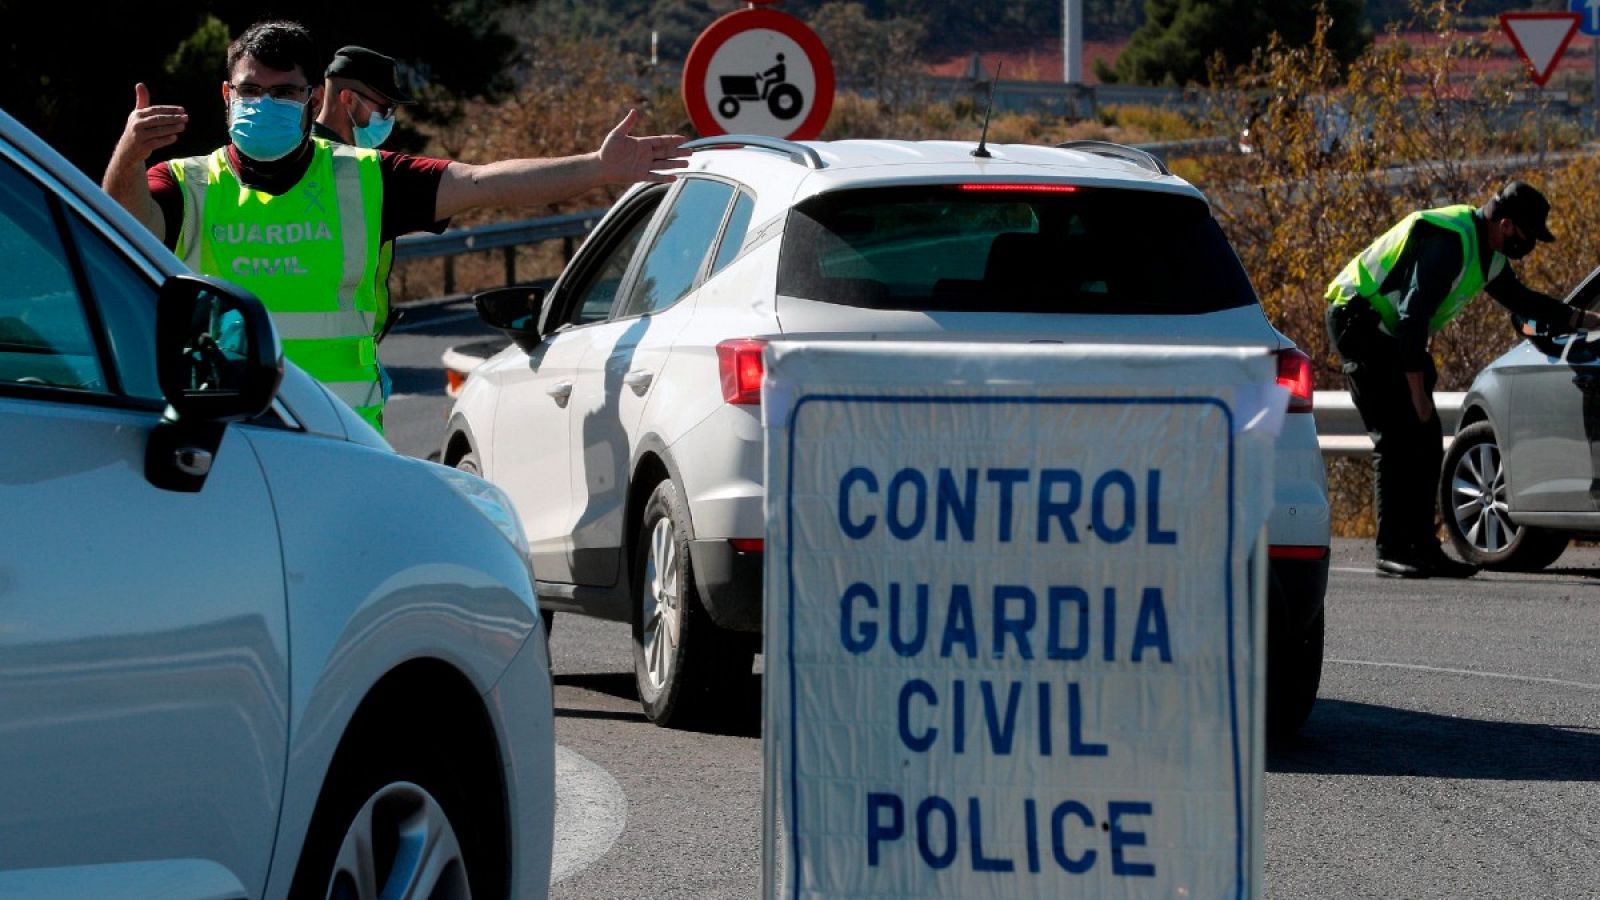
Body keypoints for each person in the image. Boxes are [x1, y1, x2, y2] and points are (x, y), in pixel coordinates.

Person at [102, 20, 686, 432]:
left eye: (283, 92)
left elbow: (487, 182)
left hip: (340, 431)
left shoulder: (367, 179)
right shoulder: (187, 182)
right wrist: (127, 157)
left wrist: (598, 167)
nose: (265, 102)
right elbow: (128, 223)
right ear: (227, 96)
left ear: (310, 100)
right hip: (223, 428)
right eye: (251, 90)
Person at [1324, 181, 1600, 578]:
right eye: (1527, 236)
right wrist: (1418, 392)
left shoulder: (1488, 256)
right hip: (1357, 320)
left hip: (1392, 334)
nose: (1528, 246)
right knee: (1397, 436)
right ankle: (1393, 549)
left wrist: (1583, 319)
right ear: (1506, 225)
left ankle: (1423, 547)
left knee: (1425, 439)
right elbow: (1411, 319)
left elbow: (1524, 302)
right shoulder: (1449, 244)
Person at [314, 44, 407, 150]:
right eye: (384, 108)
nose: (390, 119)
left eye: (392, 110)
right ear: (348, 98)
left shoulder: (361, 157)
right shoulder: (304, 155)